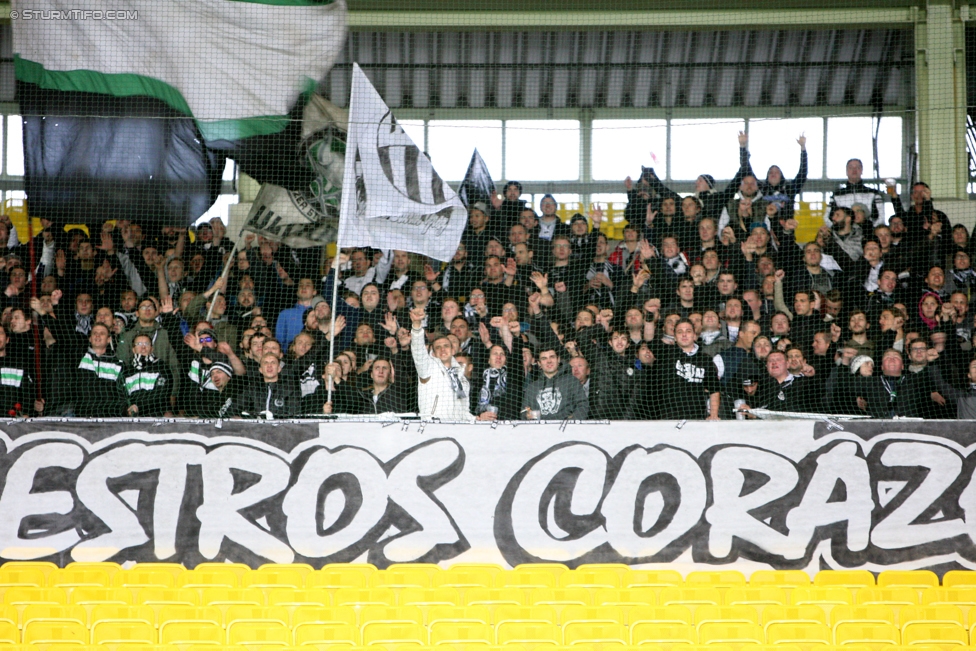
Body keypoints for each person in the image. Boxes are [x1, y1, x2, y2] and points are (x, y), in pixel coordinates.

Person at [409, 306, 478, 422]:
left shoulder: (462, 378)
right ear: (433, 353)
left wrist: (476, 419)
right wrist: (417, 326)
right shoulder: (428, 369)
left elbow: (464, 411)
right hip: (433, 427)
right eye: (438, 347)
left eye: (446, 346)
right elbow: (418, 351)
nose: (443, 350)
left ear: (452, 351)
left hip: (456, 430)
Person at [655, 318, 721, 420]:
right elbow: (649, 338)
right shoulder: (666, 353)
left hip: (697, 419)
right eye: (680, 332)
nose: (684, 335)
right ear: (675, 337)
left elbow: (714, 390)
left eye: (688, 331)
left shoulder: (705, 359)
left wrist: (713, 415)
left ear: (695, 335)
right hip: (669, 418)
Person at [522, 346, 589, 420]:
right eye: (544, 358)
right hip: (540, 430)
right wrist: (531, 415)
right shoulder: (532, 387)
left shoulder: (571, 381)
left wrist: (569, 423)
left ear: (558, 359)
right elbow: (524, 413)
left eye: (552, 357)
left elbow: (583, 406)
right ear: (539, 363)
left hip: (567, 429)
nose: (549, 361)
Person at [231, 352, 300, 419]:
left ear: (279, 369)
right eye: (265, 363)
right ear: (260, 369)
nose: (269, 365)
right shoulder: (252, 388)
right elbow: (234, 408)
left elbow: (294, 415)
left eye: (273, 362)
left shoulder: (289, 389)